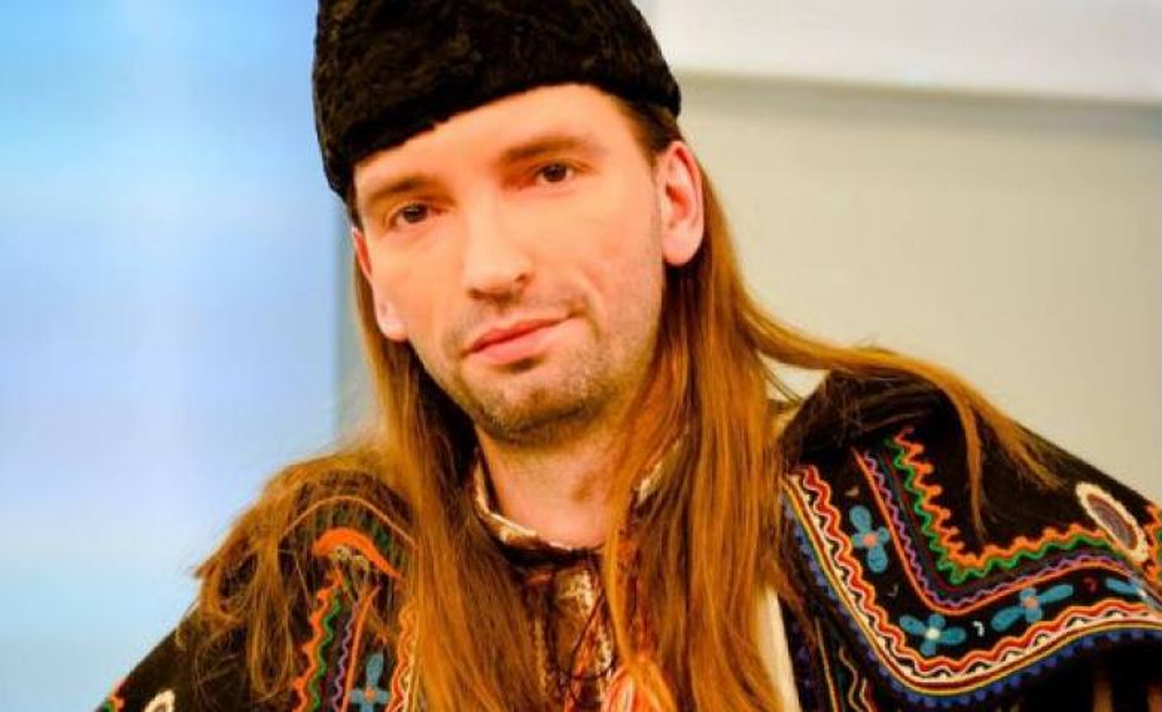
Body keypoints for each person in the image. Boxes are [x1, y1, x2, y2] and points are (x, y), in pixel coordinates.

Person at [99, 1, 1162, 710]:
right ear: (377, 280)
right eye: (416, 210)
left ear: (675, 200)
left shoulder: (945, 511)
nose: (491, 266)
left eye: (548, 173)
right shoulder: (309, 603)